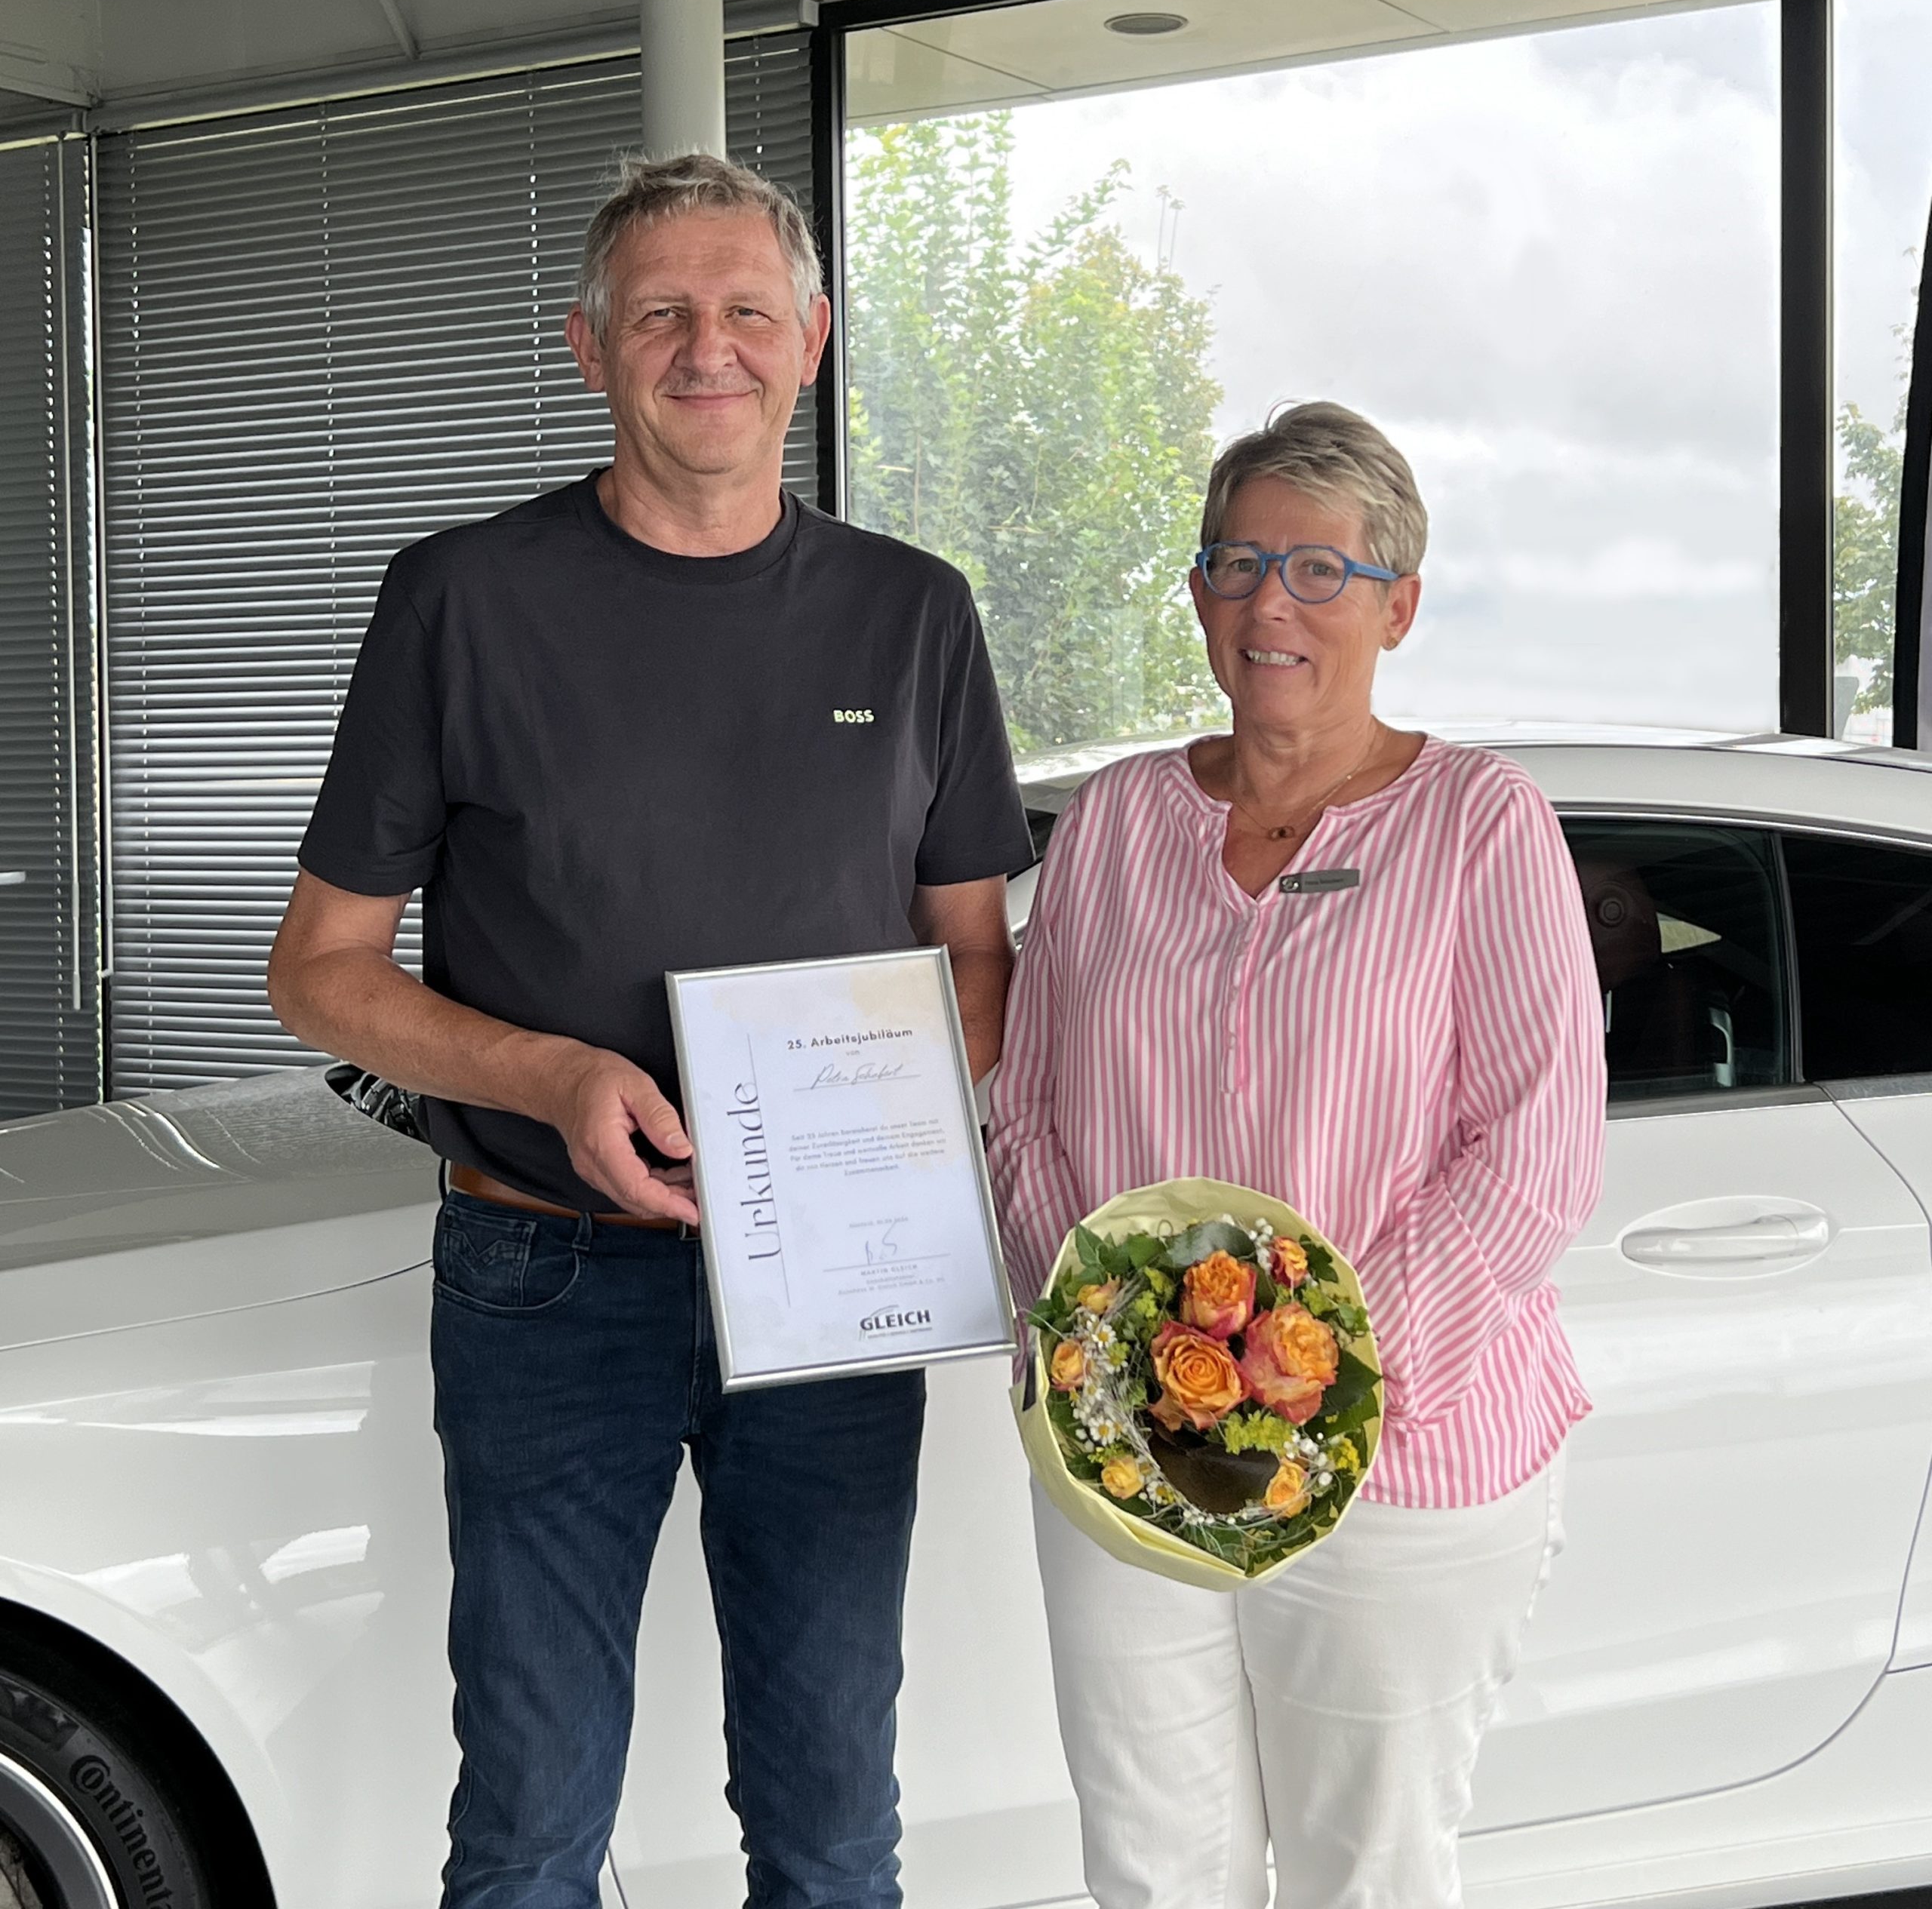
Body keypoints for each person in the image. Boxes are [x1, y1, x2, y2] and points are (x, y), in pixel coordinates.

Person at [266, 152, 1032, 1909]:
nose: (709, 347)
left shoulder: (912, 612)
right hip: (546, 1270)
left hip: (831, 1290)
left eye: (748, 309)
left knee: (832, 1821)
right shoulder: (461, 599)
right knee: (530, 1824)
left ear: (812, 339)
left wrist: (855, 1148)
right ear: (587, 344)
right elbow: (320, 968)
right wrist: (551, 1074)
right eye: (662, 313)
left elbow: (974, 964)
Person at [987, 401, 1605, 1909]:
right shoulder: (1115, 823)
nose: (1272, 603)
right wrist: (1115, 1349)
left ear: (1399, 604)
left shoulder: (1479, 824)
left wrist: (1311, 1377)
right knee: (1152, 1872)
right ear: (1199, 592)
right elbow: (1028, 1111)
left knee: (1364, 1875)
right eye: (1239, 563)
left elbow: (1532, 1152)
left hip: (1399, 1459)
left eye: (1321, 569)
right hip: (1133, 1438)